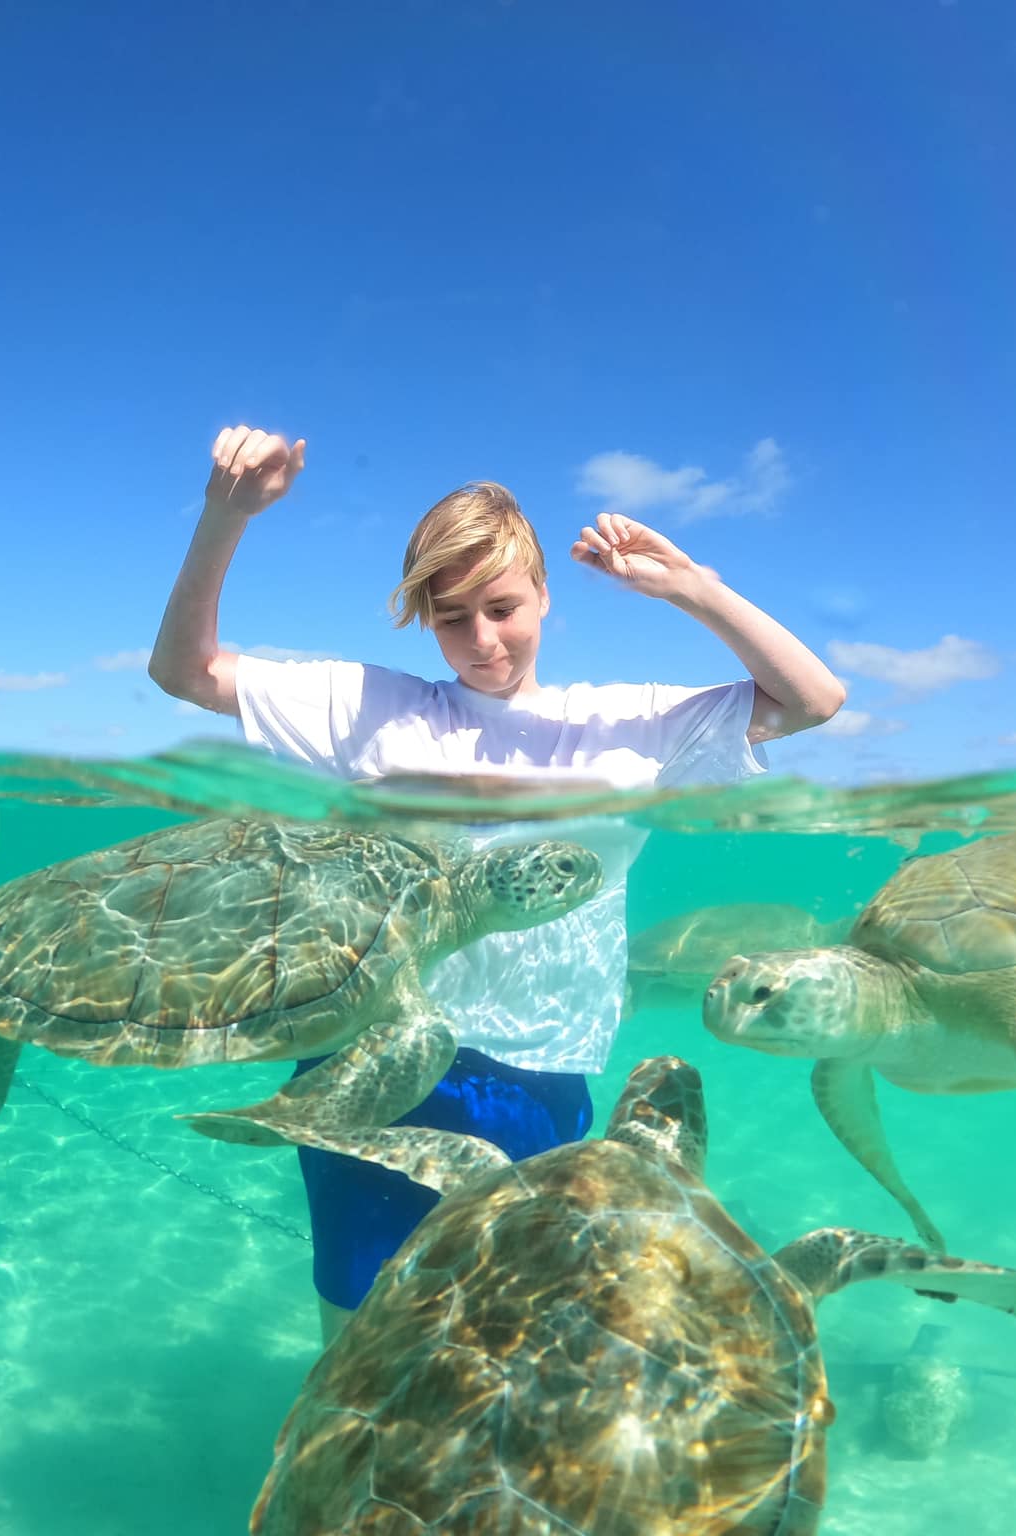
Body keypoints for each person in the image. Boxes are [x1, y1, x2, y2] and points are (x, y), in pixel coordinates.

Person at [149, 424, 845, 1340]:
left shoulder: (624, 722)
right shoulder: (375, 706)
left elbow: (813, 701)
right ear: (424, 621)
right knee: (359, 1329)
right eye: (451, 617)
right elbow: (184, 672)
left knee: (506, 1332)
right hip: (369, 1060)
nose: (482, 640)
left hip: (540, 1070)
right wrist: (224, 516)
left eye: (503, 607)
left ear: (545, 596)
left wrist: (693, 590)